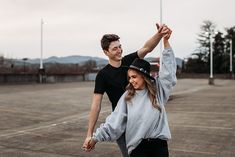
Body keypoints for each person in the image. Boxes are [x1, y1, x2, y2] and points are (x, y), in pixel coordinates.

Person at [82, 23, 171, 157]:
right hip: (121, 121)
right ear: (106, 52)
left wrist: (160, 34)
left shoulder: (130, 61)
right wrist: (90, 134)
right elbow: (96, 105)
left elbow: (147, 47)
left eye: (120, 47)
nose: (119, 51)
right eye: (114, 49)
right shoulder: (103, 75)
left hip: (142, 117)